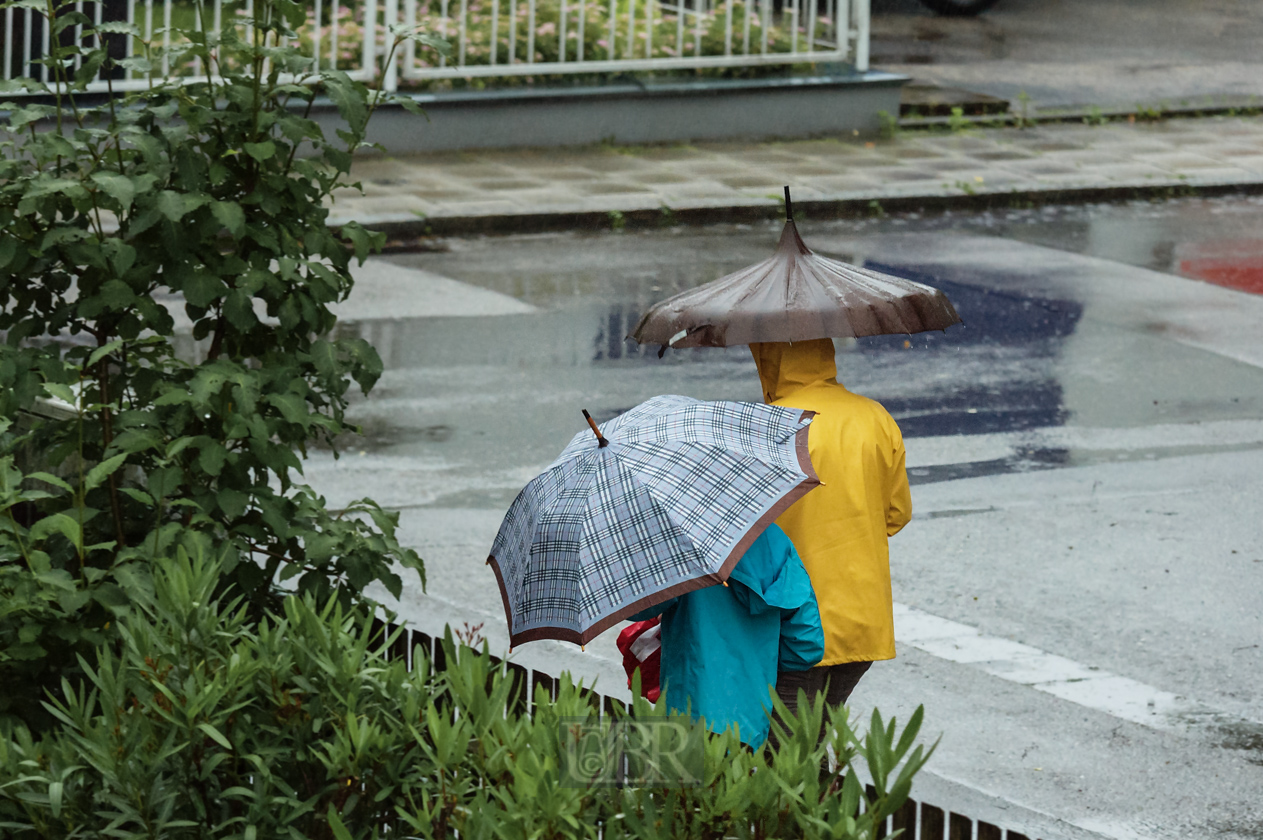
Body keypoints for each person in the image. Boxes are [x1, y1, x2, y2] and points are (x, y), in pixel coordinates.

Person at [749, 339, 912, 733]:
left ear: (770, 359)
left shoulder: (767, 425)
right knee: (817, 729)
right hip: (861, 616)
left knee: (786, 743)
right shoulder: (874, 416)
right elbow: (896, 514)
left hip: (796, 618)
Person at [628, 524, 824, 748]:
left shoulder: (681, 542)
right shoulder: (775, 541)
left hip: (688, 709)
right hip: (750, 720)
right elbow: (807, 646)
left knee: (683, 781)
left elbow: (638, 608)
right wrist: (758, 660)